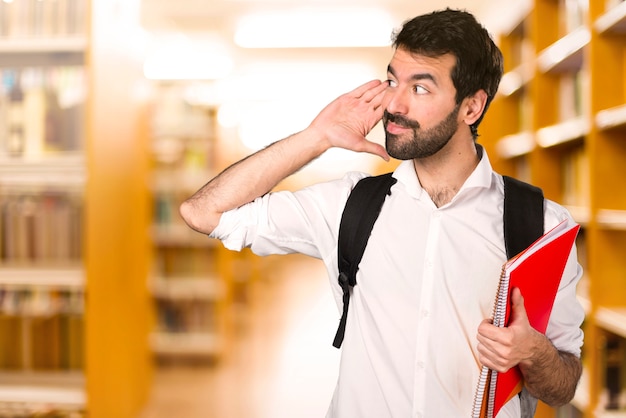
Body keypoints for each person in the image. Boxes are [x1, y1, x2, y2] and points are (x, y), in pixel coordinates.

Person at [179, 8, 584, 418]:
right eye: (393, 81)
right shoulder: (351, 205)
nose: (395, 102)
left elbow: (563, 386)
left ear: (471, 107)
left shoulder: (542, 226)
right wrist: (315, 137)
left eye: (421, 89)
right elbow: (203, 213)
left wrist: (535, 352)